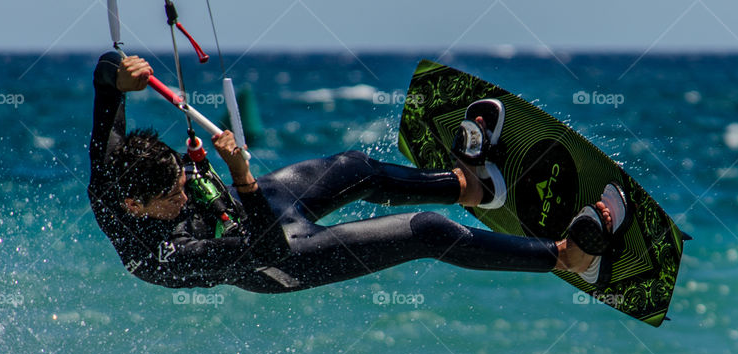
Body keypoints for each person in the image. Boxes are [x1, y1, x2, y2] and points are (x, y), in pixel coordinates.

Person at [88, 53, 626, 293]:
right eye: (173, 197)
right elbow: (269, 251)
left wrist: (123, 74)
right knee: (426, 233)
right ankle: (567, 257)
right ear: (137, 208)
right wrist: (244, 179)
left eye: (183, 180)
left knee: (356, 168)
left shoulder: (114, 171)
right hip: (276, 258)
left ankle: (469, 186)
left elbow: (103, 78)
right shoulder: (166, 257)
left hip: (256, 207)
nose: (185, 193)